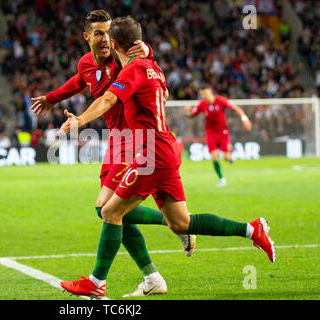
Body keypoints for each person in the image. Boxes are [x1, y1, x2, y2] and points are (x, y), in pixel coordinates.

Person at [57, 16, 275, 298]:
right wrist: (146, 50)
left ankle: (97, 283)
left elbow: (109, 99)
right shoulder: (154, 67)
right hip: (166, 147)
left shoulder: (132, 71)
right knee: (180, 223)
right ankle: (252, 229)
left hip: (152, 153)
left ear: (114, 43)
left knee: (110, 212)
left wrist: (81, 120)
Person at [31, 9, 195, 297]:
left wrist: (148, 49)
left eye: (108, 33)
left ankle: (173, 230)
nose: (105, 39)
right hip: (115, 141)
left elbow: (143, 61)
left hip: (135, 140)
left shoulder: (122, 62)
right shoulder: (86, 64)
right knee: (108, 211)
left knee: (110, 211)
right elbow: (77, 82)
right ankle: (155, 270)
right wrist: (51, 98)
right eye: (98, 33)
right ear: (87, 37)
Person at [184, 85, 252, 187]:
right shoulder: (202, 104)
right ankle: (222, 179)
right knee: (214, 156)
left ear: (210, 91)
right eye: (202, 93)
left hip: (223, 132)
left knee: (226, 157)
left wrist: (245, 119)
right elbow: (191, 115)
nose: (204, 95)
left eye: (205, 92)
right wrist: (187, 112)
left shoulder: (220, 100)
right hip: (210, 133)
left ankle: (230, 156)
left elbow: (235, 108)